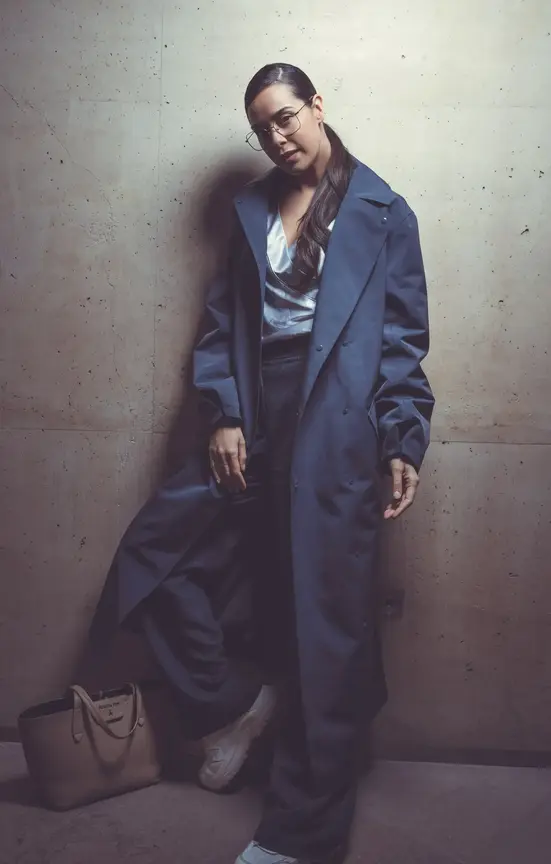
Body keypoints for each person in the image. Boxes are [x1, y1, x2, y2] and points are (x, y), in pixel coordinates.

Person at [92, 63, 434, 864]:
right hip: (254, 410)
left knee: (327, 628)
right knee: (155, 553)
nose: (276, 137)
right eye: (261, 128)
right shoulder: (249, 208)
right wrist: (226, 415)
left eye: (286, 117)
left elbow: (402, 342)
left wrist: (401, 437)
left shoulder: (384, 213)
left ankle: (302, 833)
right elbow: (219, 327)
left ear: (317, 106)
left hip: (339, 427)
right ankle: (238, 703)